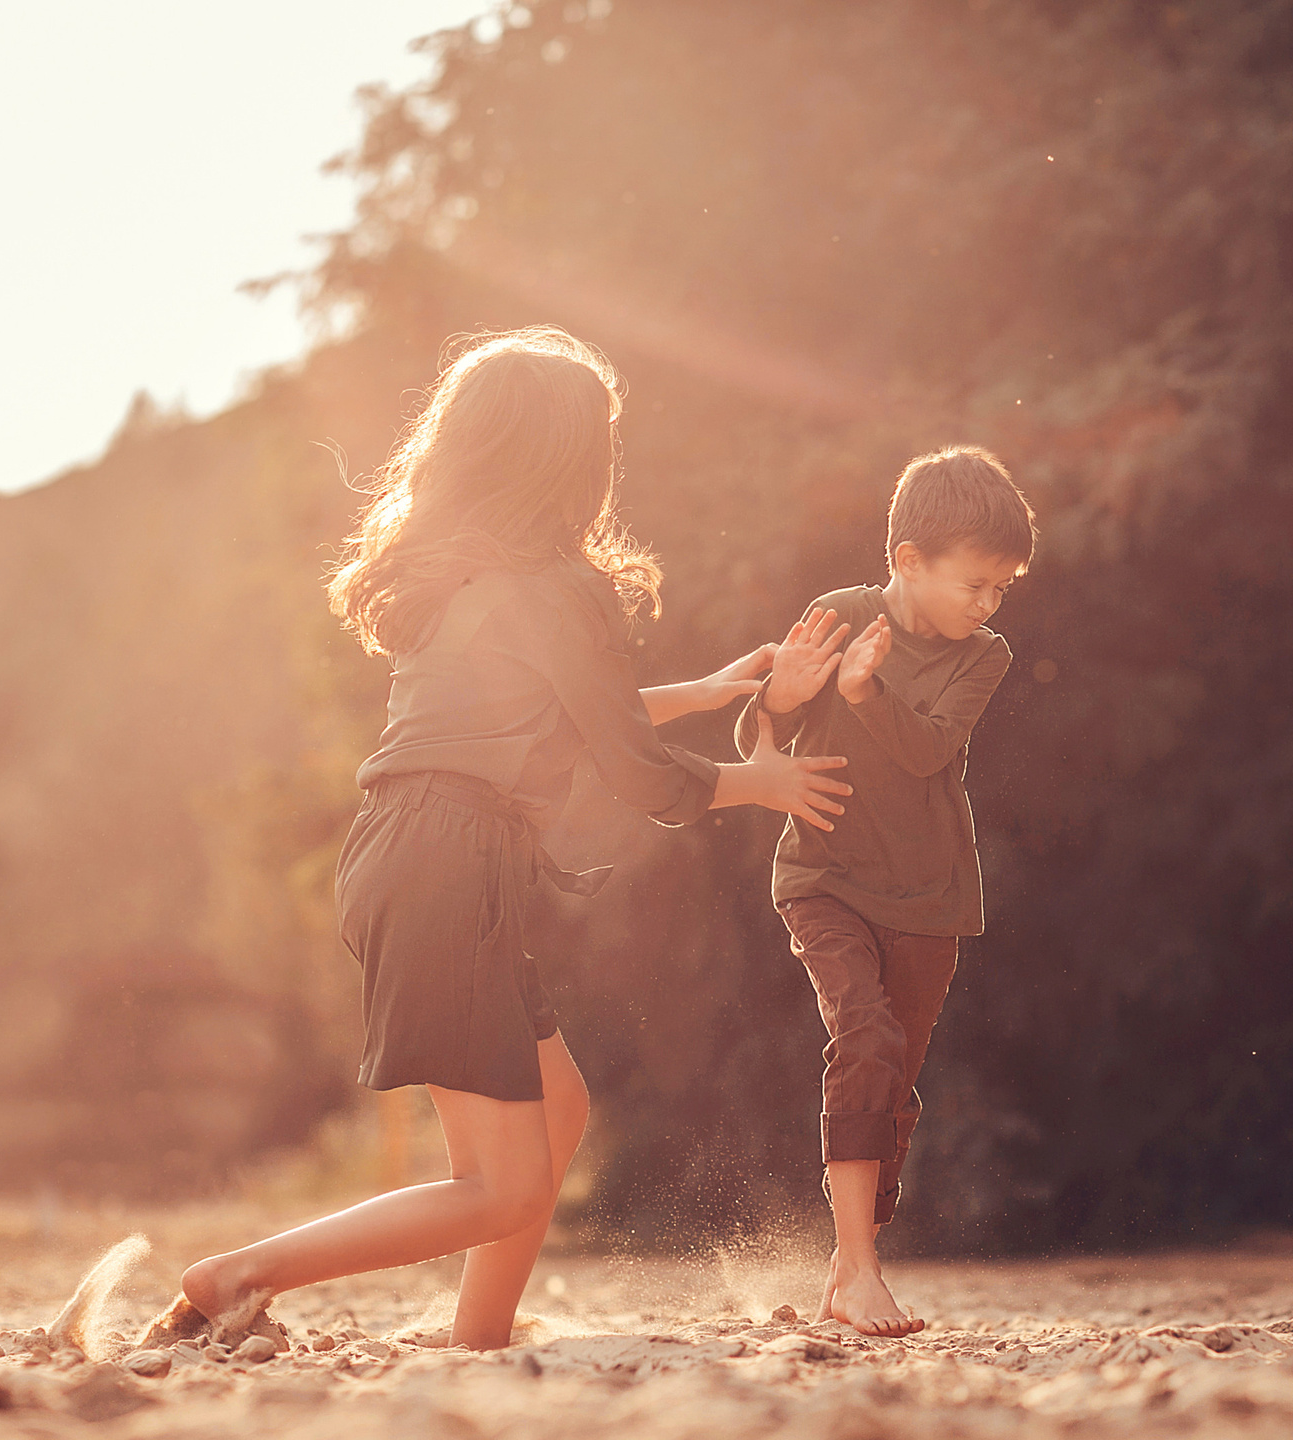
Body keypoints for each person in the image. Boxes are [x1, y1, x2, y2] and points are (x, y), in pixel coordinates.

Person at [145, 327, 850, 1353]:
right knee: (498, 1184)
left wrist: (703, 692)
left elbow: (544, 717)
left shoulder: (463, 578)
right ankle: (234, 1277)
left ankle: (479, 1329)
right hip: (451, 865)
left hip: (406, 852)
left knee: (555, 1111)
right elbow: (637, 777)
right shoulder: (559, 585)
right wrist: (762, 781)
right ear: (573, 459)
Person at [735, 446, 1036, 1336]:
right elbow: (763, 737)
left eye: (1000, 589)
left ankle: (848, 1262)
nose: (986, 604)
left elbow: (926, 751)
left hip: (928, 896)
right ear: (909, 560)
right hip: (824, 878)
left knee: (893, 1081)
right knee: (861, 1035)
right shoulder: (835, 616)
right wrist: (784, 702)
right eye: (974, 583)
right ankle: (862, 1270)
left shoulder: (985, 656)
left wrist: (866, 694)